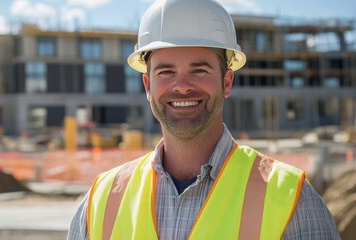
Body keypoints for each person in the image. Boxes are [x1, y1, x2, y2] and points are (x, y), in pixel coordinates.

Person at [67, 0, 340, 239]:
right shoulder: (101, 201)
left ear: (227, 81)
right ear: (148, 86)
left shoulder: (292, 200)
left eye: (198, 70)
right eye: (166, 72)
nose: (182, 86)